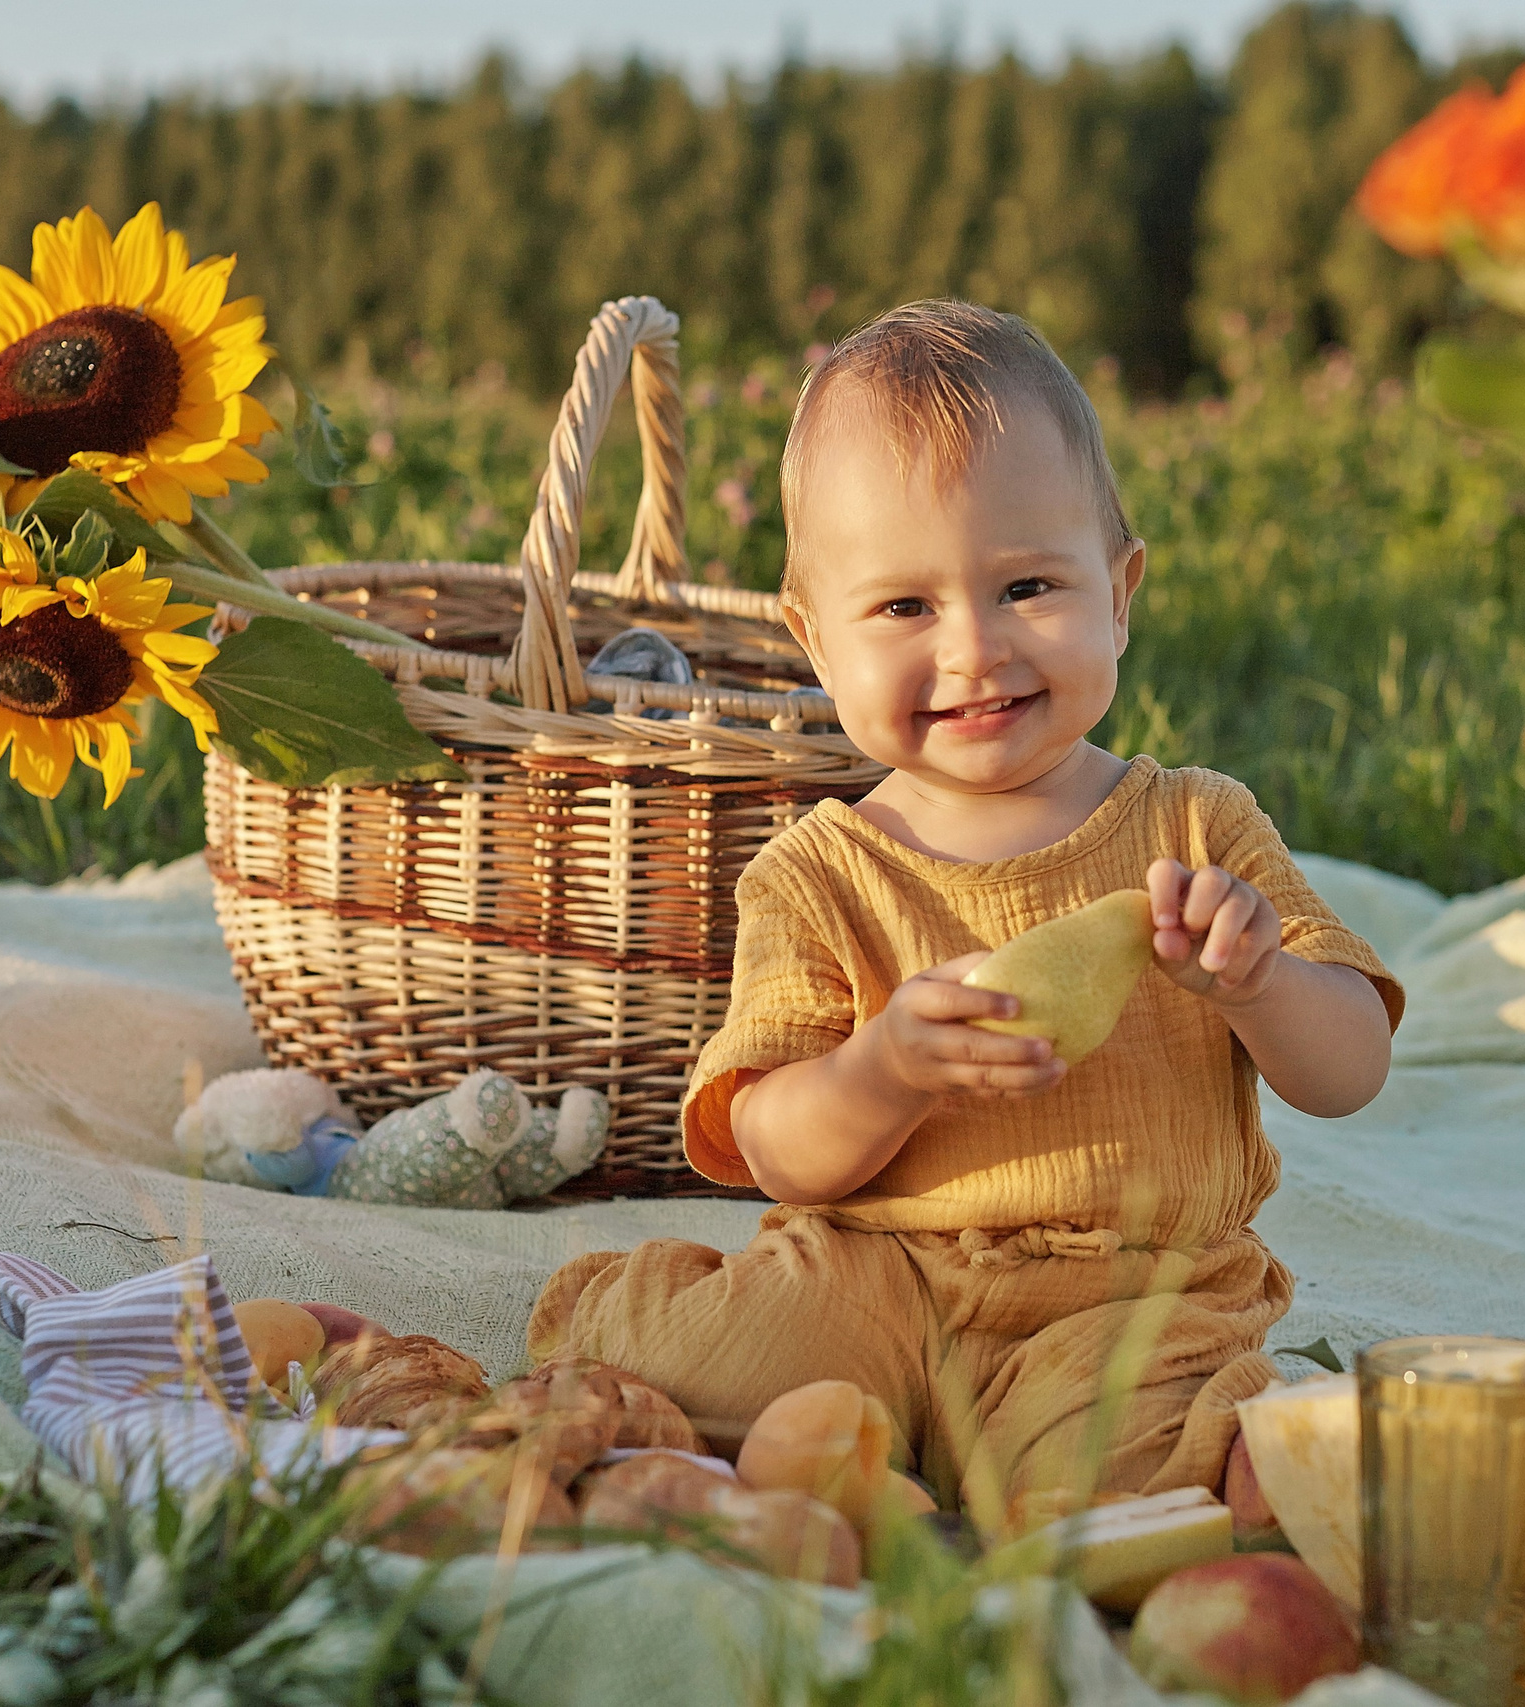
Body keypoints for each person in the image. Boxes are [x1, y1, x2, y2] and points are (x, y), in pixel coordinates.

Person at [527, 299, 1401, 1524]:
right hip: (881, 1273)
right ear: (813, 642)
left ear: (1120, 594)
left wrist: (1260, 984)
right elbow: (773, 1143)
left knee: (1120, 1483)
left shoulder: (1197, 829)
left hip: (1129, 1299)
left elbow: (1348, 1069)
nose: (975, 651)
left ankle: (1237, 1460)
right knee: (712, 1364)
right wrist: (885, 1071)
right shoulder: (817, 872)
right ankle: (612, 1315)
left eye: (1027, 586)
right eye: (904, 609)